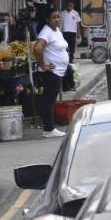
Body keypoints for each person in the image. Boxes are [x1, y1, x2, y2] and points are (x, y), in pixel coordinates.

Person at [32, 10, 69, 139]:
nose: (57, 19)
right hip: (52, 72)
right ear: (48, 19)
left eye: (58, 17)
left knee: (50, 100)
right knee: (48, 100)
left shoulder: (56, 31)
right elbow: (37, 48)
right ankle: (48, 129)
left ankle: (49, 128)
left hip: (58, 72)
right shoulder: (46, 32)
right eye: (54, 17)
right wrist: (42, 64)